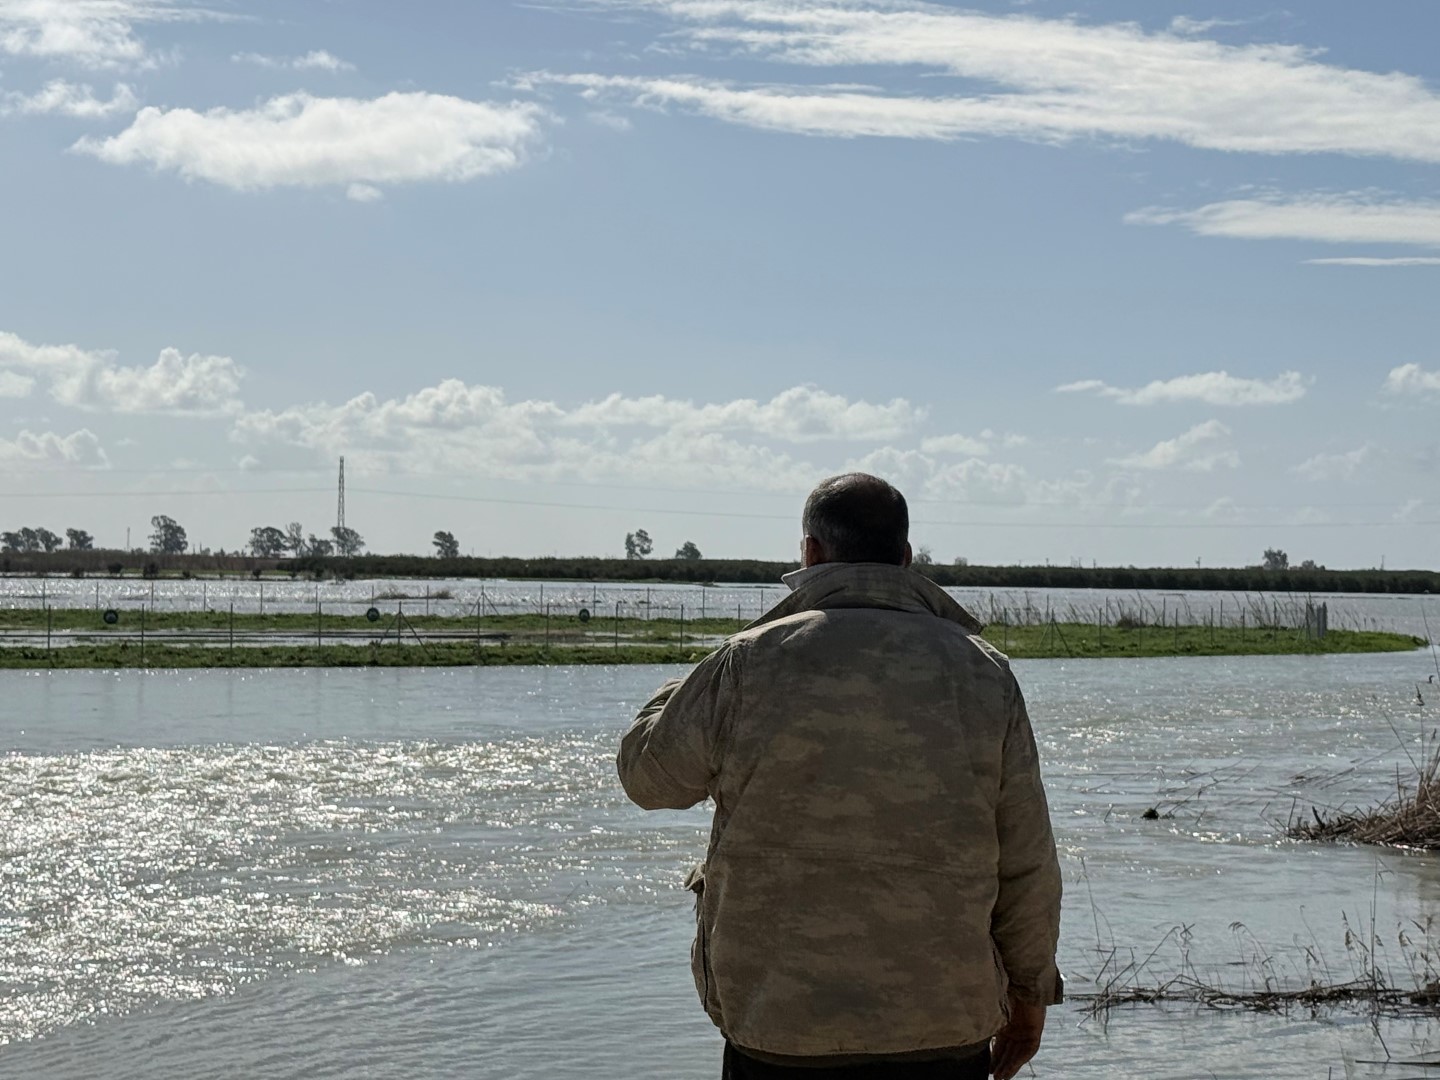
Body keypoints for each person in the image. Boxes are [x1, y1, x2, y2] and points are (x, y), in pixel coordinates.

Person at [618, 473, 1062, 1079]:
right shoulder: (984, 672)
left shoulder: (747, 661)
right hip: (942, 1022)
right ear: (906, 559)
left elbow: (649, 780)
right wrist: (1030, 994)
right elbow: (1027, 858)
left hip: (778, 1023)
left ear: (811, 553)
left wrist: (682, 687)